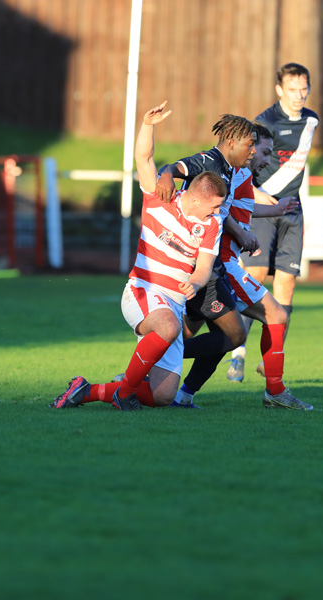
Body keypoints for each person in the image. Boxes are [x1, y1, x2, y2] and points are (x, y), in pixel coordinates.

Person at [50, 101, 226, 411]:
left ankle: (85, 391)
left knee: (162, 396)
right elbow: (143, 158)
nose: (217, 212)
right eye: (213, 206)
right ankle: (124, 393)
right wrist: (148, 125)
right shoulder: (162, 198)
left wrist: (196, 285)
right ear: (196, 200)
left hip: (173, 303)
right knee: (169, 327)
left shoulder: (212, 224)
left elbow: (203, 269)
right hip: (142, 291)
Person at [174, 123, 312, 410]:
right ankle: (274, 391)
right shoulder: (229, 172)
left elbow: (239, 209)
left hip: (220, 263)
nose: (262, 157)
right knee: (275, 315)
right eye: (260, 150)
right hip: (219, 264)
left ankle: (172, 389)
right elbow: (219, 211)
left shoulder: (242, 174)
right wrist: (241, 234)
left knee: (196, 335)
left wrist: (272, 211)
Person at [228, 62, 320, 382]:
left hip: (293, 213)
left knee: (287, 285)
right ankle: (237, 353)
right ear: (279, 90)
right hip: (265, 211)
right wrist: (254, 192)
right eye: (292, 89)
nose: (299, 95)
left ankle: (271, 360)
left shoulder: (312, 121)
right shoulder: (264, 122)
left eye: (303, 88)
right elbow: (244, 163)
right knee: (254, 277)